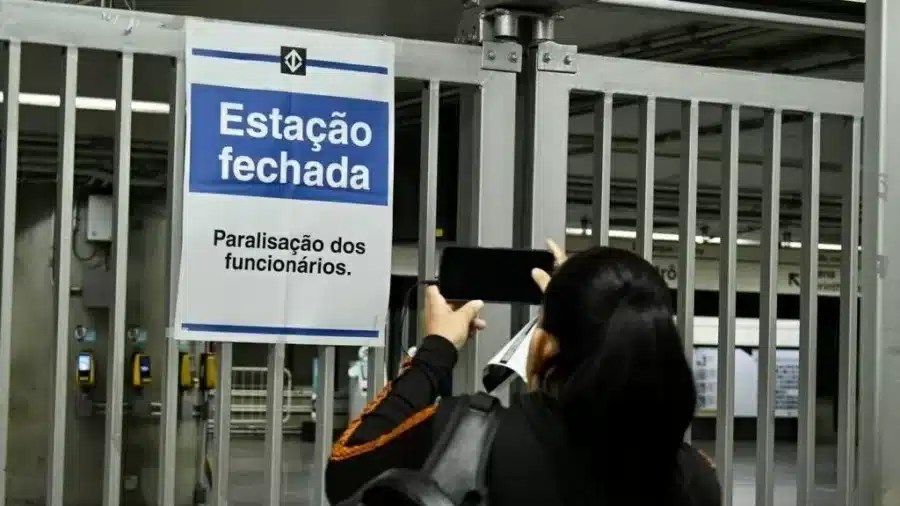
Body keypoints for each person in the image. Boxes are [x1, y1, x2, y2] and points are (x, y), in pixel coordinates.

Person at [326, 242, 721, 505]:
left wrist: (436, 350)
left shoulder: (466, 436)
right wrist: (587, 300)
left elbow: (344, 469)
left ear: (545, 345)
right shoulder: (693, 478)